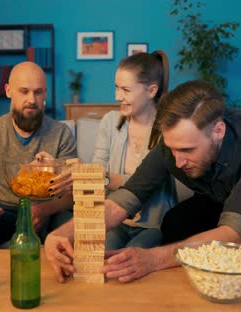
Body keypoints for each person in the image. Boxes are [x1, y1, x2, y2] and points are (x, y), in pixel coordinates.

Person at [45, 80, 241, 286]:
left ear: (218, 130)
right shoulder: (173, 145)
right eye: (172, 149)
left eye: (187, 150)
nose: (177, 161)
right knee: (176, 221)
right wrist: (62, 233)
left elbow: (232, 232)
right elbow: (121, 202)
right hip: (217, 198)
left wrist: (151, 259)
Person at [0, 61, 77, 248]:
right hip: (1, 210)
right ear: (8, 91)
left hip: (50, 210)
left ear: (45, 93)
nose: (32, 99)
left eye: (38, 92)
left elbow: (71, 194)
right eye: (24, 91)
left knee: (75, 234)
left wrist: (42, 210)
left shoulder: (61, 133)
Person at [92, 51, 176, 250]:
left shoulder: (168, 130)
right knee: (106, 256)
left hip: (154, 225)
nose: (117, 96)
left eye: (126, 90)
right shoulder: (110, 122)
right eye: (116, 88)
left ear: (151, 91)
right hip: (116, 222)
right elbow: (96, 170)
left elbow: (150, 184)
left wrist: (108, 179)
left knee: (131, 258)